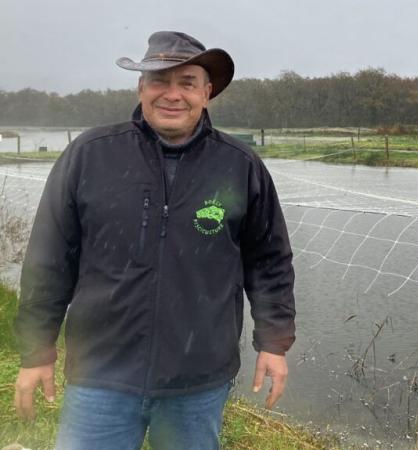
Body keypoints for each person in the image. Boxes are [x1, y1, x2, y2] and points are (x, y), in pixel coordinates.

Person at [13, 31, 296, 450]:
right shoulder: (90, 155)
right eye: (159, 80)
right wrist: (37, 350)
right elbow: (48, 260)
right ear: (141, 87)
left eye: (187, 82)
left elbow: (269, 260)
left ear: (207, 92)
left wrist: (273, 342)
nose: (172, 94)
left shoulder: (239, 165)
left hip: (197, 382)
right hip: (99, 376)